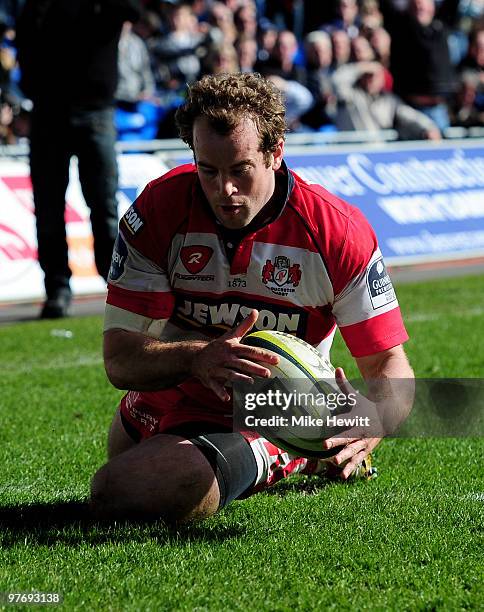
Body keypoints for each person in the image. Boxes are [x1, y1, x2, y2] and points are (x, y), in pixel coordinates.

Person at [90, 72, 414, 523]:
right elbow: (120, 361)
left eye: (240, 169)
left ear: (275, 152)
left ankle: (300, 449)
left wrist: (374, 420)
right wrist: (197, 357)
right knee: (121, 462)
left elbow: (390, 368)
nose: (225, 189)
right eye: (209, 170)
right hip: (179, 387)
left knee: (119, 490)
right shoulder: (157, 211)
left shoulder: (337, 231)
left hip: (273, 409)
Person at [16, 0, 142, 318]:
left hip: (93, 111)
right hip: (50, 113)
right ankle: (58, 288)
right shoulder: (37, 7)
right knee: (49, 208)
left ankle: (116, 285)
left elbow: (134, 11)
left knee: (103, 207)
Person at [333, 60, 441, 139]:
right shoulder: (351, 96)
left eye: (375, 76)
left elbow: (410, 115)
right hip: (353, 151)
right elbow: (337, 80)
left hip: (378, 150)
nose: (371, 80)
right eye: (367, 76)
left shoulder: (390, 100)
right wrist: (361, 67)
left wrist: (428, 127)